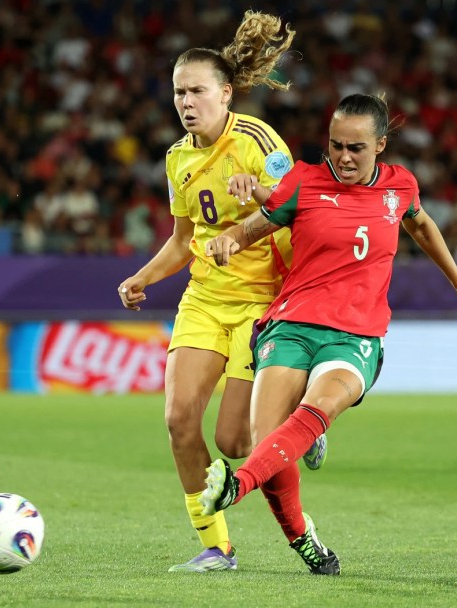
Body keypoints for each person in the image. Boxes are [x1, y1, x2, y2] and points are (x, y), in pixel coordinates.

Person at [200, 93, 457, 575]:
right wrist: (228, 239)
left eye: (356, 148)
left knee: (310, 412)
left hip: (356, 335)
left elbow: (422, 225)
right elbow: (255, 226)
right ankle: (302, 538)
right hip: (292, 324)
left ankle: (237, 485)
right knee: (266, 439)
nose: (343, 157)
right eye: (335, 145)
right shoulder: (303, 181)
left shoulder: (400, 187)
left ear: (380, 145)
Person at [117, 11, 326, 573]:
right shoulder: (176, 158)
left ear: (225, 92)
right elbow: (185, 240)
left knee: (235, 441)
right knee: (179, 420)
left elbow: (302, 207)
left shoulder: (259, 139)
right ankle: (217, 547)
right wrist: (143, 276)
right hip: (205, 300)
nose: (187, 102)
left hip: (263, 302)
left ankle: (300, 423)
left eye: (198, 91)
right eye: (179, 92)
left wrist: (260, 189)